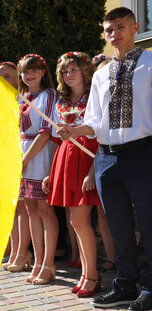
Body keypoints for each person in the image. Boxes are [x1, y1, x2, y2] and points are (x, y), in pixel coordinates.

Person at [60, 7, 152, 311]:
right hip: (107, 157)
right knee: (118, 224)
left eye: (121, 27)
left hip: (143, 152)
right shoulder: (100, 75)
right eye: (109, 30)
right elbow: (95, 121)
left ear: (135, 27)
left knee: (150, 222)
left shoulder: (150, 64)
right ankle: (125, 283)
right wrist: (73, 129)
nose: (115, 34)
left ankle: (151, 287)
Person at [42, 52, 104, 297]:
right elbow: (58, 139)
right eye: (65, 72)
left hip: (87, 156)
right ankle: (87, 273)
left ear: (85, 71)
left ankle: (92, 275)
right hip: (65, 157)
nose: (68, 76)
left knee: (79, 219)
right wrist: (50, 173)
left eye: (73, 70)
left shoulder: (93, 97)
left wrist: (92, 170)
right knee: (74, 220)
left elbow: (98, 135)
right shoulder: (62, 102)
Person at [16, 54, 59, 284]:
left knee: (44, 209)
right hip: (22, 154)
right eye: (24, 71)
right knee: (30, 208)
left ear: (43, 71)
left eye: (33, 70)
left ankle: (48, 263)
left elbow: (45, 131)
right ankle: (38, 260)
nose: (29, 74)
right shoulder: (21, 97)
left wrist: (26, 158)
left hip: (39, 154)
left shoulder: (48, 95)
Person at [0, 62, 32, 272]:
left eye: (7, 76)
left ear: (17, 77)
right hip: (5, 155)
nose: (2, 79)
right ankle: (14, 249)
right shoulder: (0, 101)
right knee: (11, 206)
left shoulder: (24, 100)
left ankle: (22, 251)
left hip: (21, 153)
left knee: (23, 206)